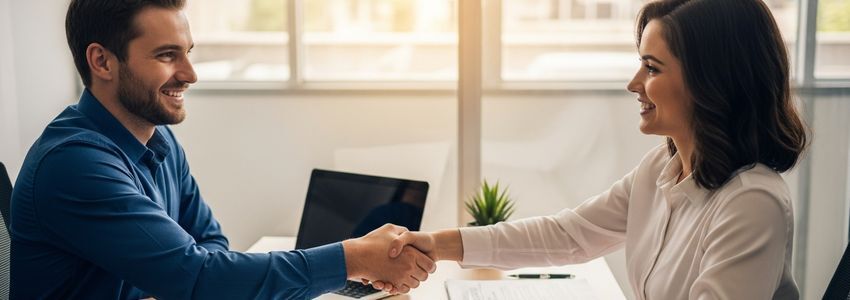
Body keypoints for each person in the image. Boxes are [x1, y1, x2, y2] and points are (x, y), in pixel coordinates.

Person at [376, 0, 807, 298]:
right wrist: (436, 244)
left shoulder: (751, 202)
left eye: (652, 68)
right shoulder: (662, 167)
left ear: (710, 82)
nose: (633, 83)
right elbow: (567, 235)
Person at [9, 0, 434, 298]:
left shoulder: (159, 141)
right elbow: (203, 278)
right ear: (102, 62)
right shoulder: (74, 164)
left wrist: (190, 283)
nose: (190, 74)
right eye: (167, 55)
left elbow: (211, 244)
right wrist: (351, 257)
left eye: (188, 53)